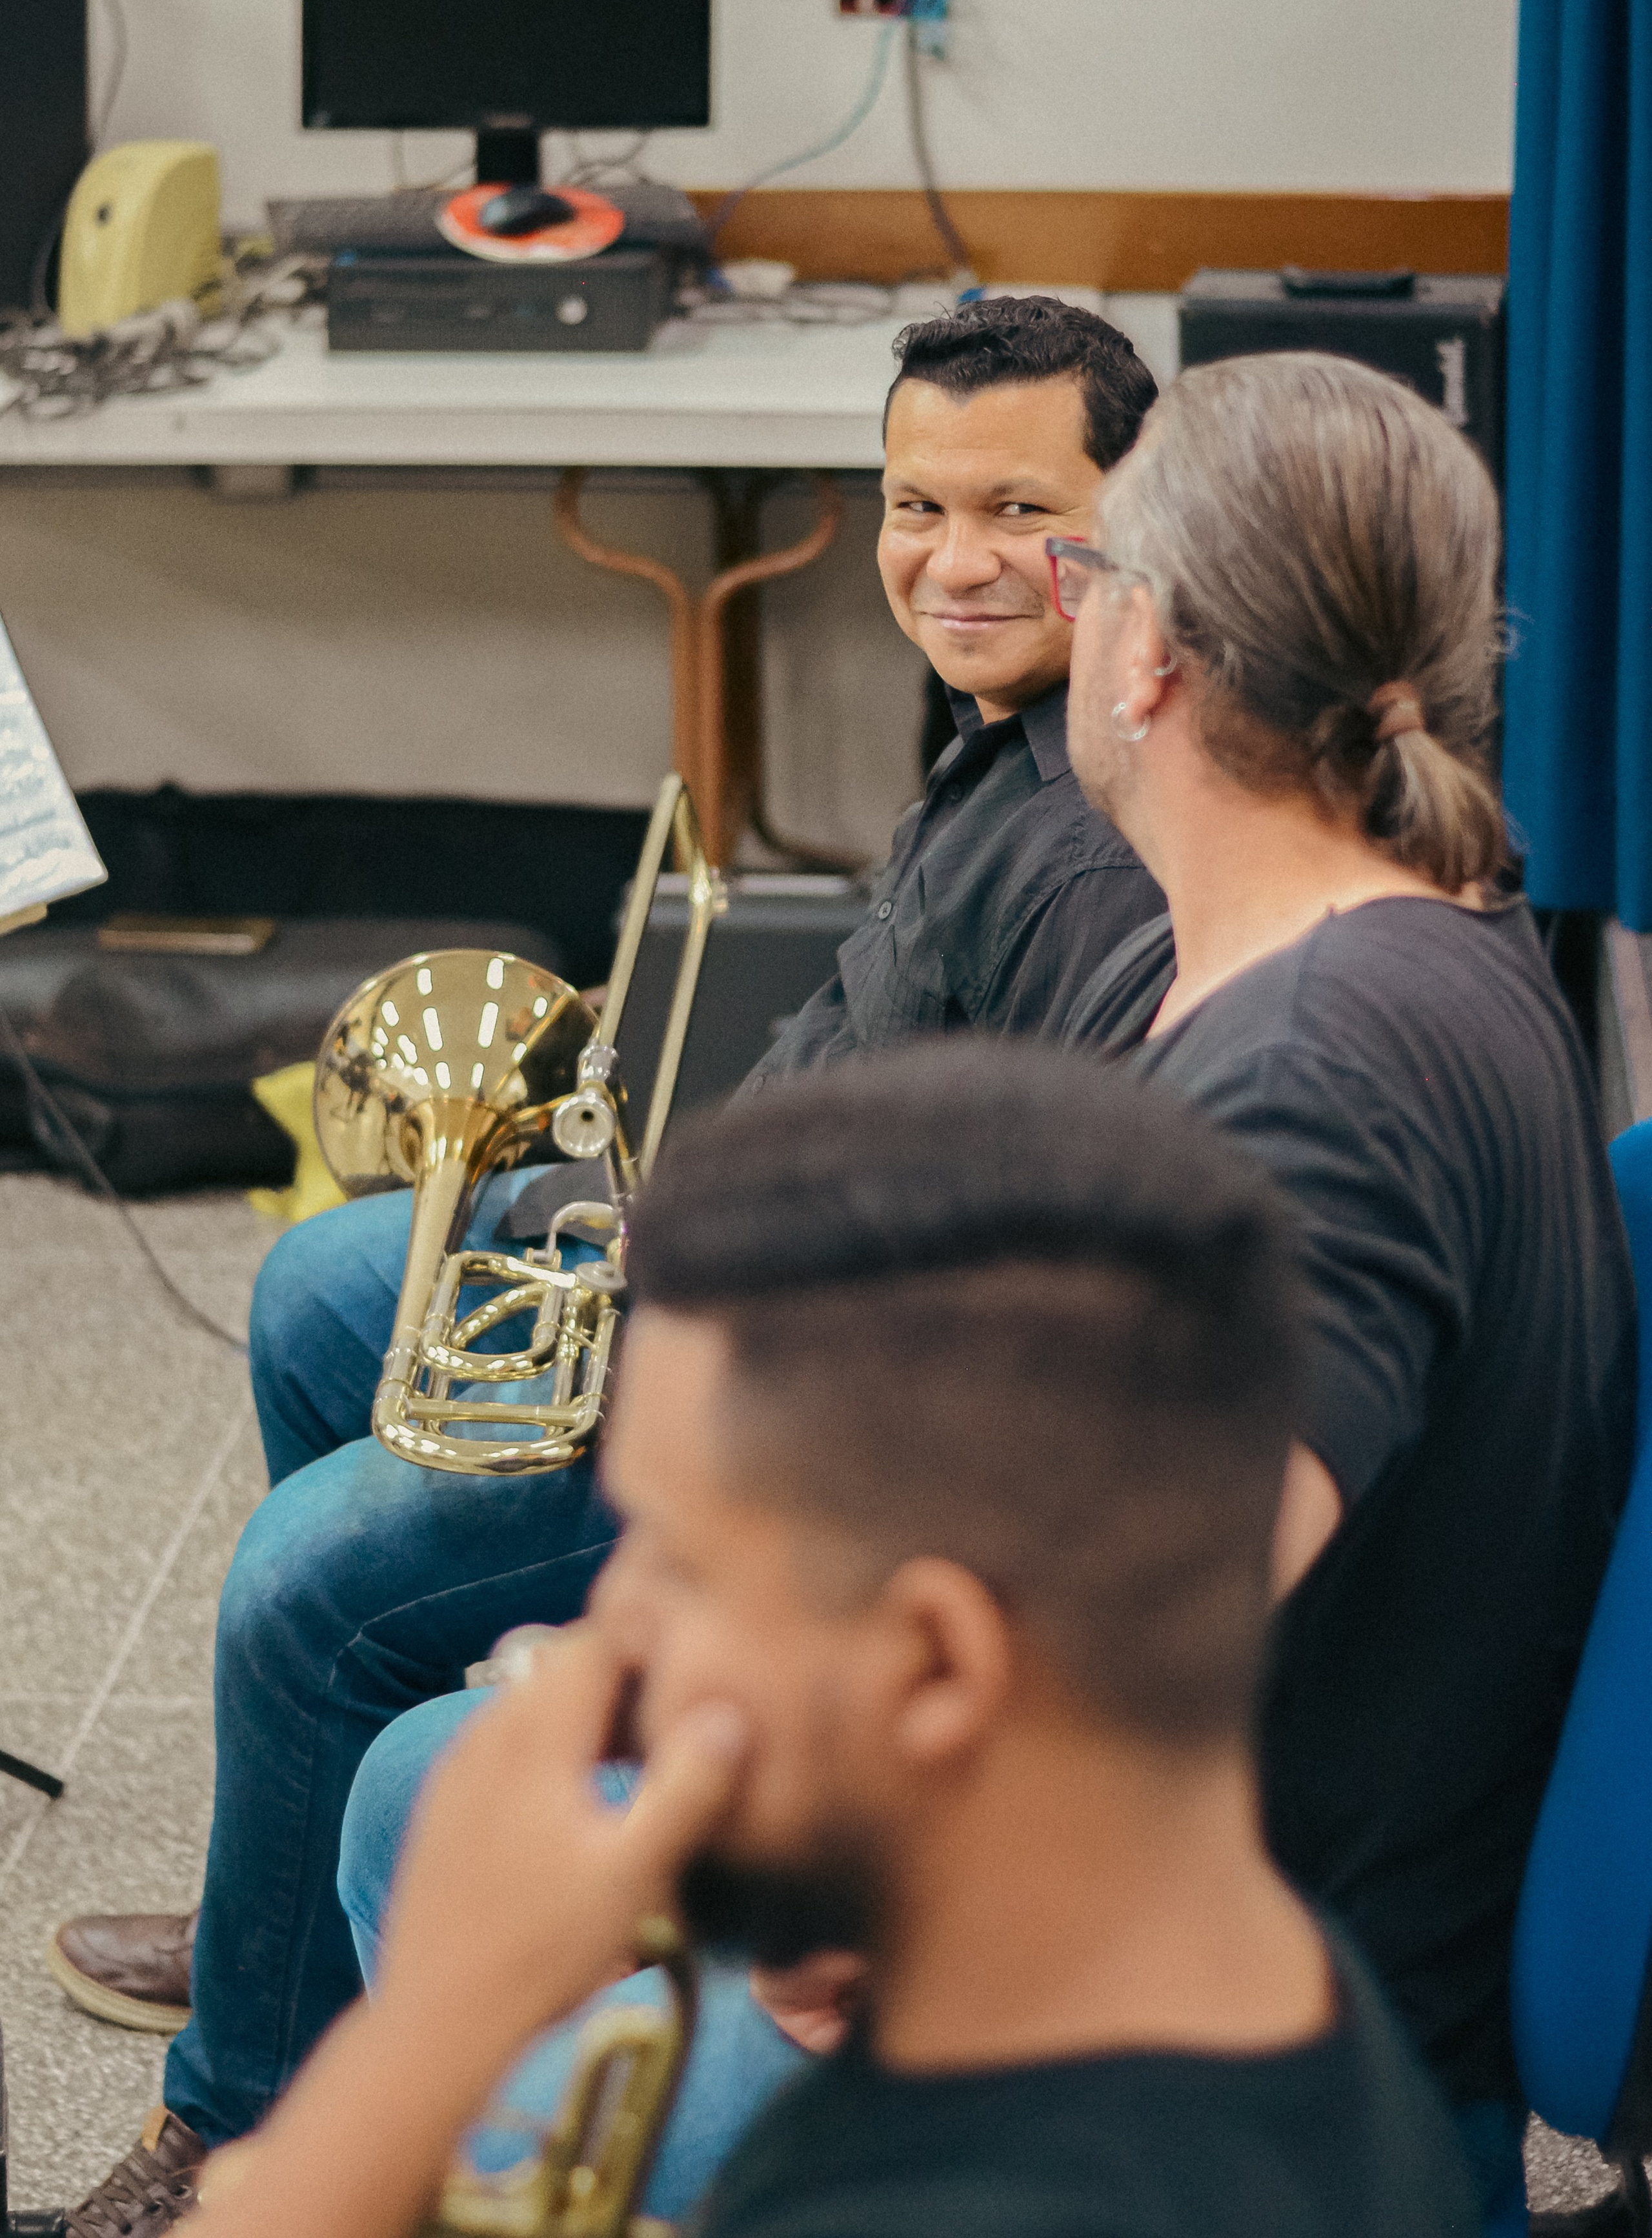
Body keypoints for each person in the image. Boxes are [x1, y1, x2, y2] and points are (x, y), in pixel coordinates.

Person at [54, 294, 1168, 2230]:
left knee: (298, 1587)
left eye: (1018, 507)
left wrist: (693, 1280)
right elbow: (855, 1063)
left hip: (815, 1403)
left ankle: (245, 2106)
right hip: (739, 1269)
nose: (953, 557)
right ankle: (299, 1914)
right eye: (914, 503)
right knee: (333, 1282)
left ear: (1136, 518)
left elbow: (1002, 1278)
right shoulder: (1004, 736)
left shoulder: (1088, 845)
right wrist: (637, 1200)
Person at [190, 1045, 1480, 2238]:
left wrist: (430, 2037)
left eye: (677, 1562)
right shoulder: (1283, 1998)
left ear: (933, 1663)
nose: (602, 1628)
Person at [1045, 348, 1635, 2231]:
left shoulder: (1316, 1074)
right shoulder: (1419, 943)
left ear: (1151, 655)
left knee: (437, 1807)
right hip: (1280, 1955)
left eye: (1086, 570)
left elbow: (1115, 1657)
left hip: (1236, 2056)